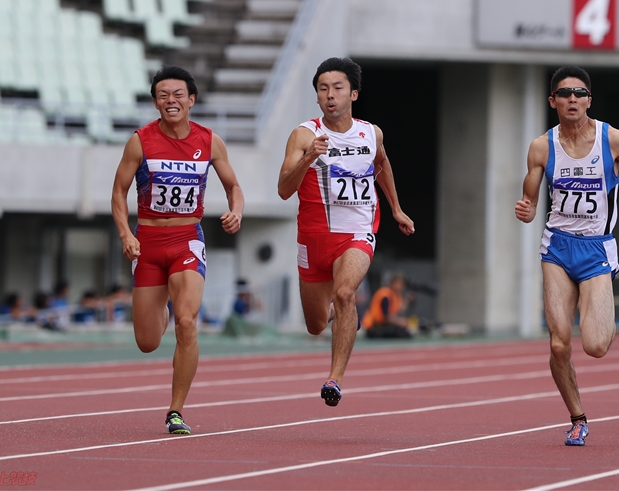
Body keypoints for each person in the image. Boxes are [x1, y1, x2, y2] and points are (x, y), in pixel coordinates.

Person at [515, 66, 619, 446]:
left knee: (595, 346)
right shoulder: (542, 146)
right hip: (556, 246)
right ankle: (578, 418)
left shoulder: (615, 141)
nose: (572, 99)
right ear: (552, 101)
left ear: (589, 99)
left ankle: (600, 310)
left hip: (596, 249)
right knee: (559, 344)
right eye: (564, 93)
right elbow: (530, 196)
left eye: (579, 93)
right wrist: (526, 209)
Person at [111, 65, 244, 435]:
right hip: (149, 243)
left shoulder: (210, 141)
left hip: (187, 240)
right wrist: (126, 234)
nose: (171, 101)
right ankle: (161, 313)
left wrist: (236, 210)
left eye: (178, 95)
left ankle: (176, 410)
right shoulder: (140, 141)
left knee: (188, 323)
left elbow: (234, 185)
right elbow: (118, 193)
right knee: (147, 342)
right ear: (156, 102)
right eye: (164, 95)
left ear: (192, 100)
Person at [277, 57, 415, 406]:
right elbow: (283, 188)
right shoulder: (304, 134)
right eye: (323, 89)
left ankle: (334, 379)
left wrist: (396, 208)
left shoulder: (371, 133)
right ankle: (344, 316)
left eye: (337, 88)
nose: (330, 95)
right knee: (315, 323)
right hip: (313, 235)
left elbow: (381, 164)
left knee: (345, 293)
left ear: (352, 93)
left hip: (357, 230)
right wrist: (308, 157)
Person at [362, 273, 414, 339]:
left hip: (383, 326)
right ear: (392, 283)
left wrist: (407, 300)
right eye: (398, 284)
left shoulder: (396, 296)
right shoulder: (385, 295)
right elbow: (386, 317)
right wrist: (400, 322)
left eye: (402, 284)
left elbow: (398, 311)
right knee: (401, 333)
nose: (400, 286)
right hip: (374, 327)